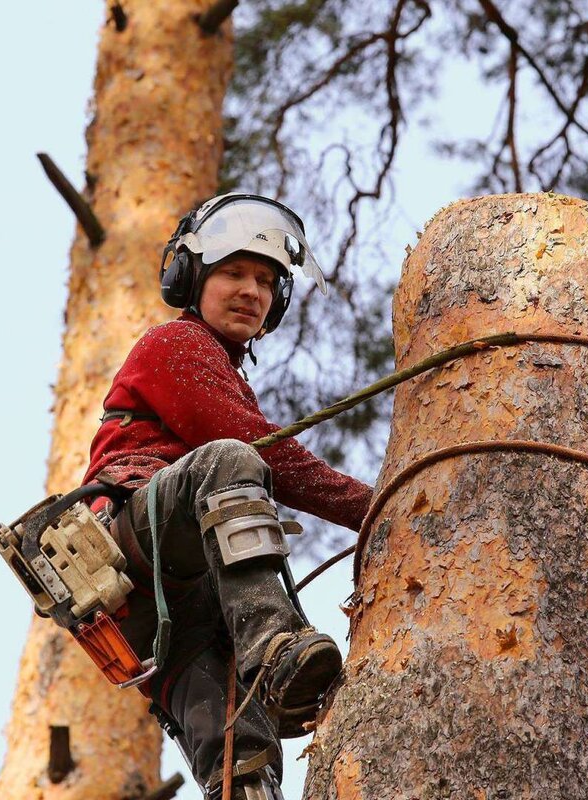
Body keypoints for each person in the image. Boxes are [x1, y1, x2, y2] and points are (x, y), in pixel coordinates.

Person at [81, 193, 371, 800]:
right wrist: (379, 506)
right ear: (191, 277)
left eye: (266, 281)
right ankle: (273, 645)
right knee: (232, 462)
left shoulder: (224, 368)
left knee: (243, 751)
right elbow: (263, 452)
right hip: (139, 543)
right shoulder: (175, 346)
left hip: (162, 612)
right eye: (234, 272)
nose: (252, 291)